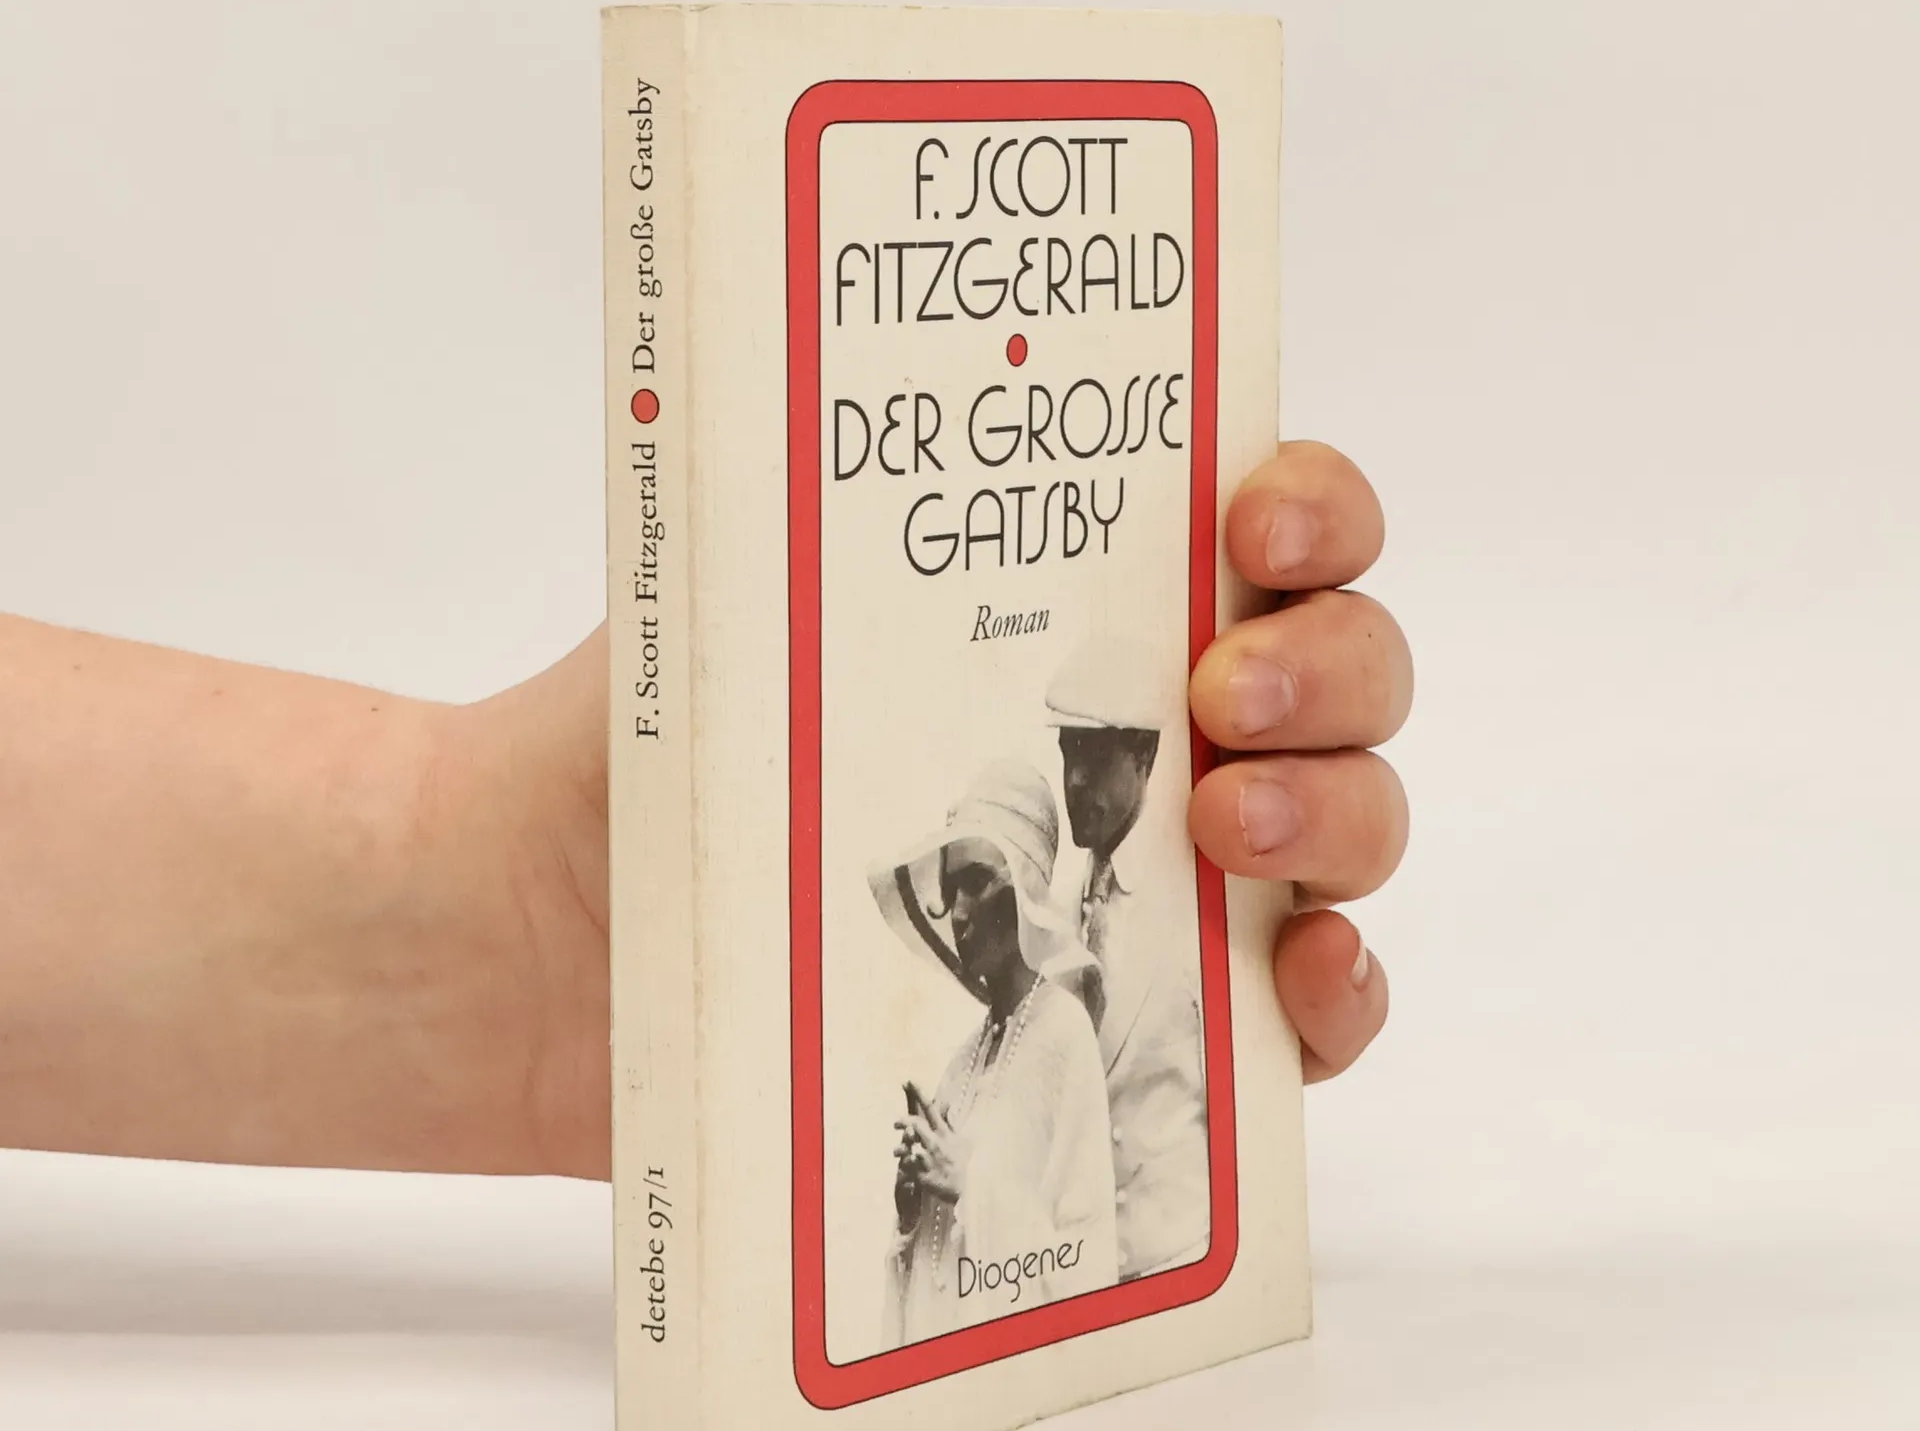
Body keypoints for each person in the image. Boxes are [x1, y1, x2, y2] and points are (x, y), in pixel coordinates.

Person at [0, 440, 1410, 1176]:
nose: (967, 921)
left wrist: (513, 887)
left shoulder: (1082, 980)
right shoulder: (998, 1007)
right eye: (958, 892)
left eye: (1118, 754)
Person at [871, 760, 1118, 1346]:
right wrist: (914, 1208)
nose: (958, 913)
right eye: (950, 888)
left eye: (976, 882)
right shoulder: (962, 1065)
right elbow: (937, 1270)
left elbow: (1088, 1264)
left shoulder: (1064, 1036)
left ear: (1024, 891)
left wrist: (968, 1181)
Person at [1045, 638, 1209, 1280]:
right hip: (1087, 1279)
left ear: (1145, 755)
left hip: (1183, 1261)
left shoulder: (1195, 906)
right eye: (1068, 753)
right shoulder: (1059, 918)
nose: (1074, 780)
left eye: (1094, 754)